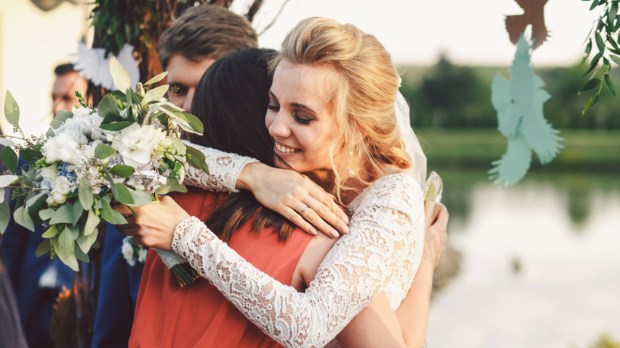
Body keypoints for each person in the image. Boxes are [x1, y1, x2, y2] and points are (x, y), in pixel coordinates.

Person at [130, 17, 448, 347]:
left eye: (302, 116)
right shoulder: (298, 169)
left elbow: (311, 327)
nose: (276, 127)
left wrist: (186, 235)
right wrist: (252, 174)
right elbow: (125, 158)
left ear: (359, 129)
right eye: (272, 105)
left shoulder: (389, 202)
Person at [91, 4, 261, 347]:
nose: (189, 108)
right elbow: (113, 323)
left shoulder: (282, 193)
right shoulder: (137, 184)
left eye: (210, 87)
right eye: (179, 89)